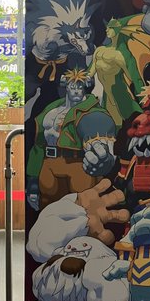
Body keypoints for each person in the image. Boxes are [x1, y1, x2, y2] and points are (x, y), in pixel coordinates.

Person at [26, 67, 116, 212]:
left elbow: (99, 123)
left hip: (77, 165)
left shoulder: (92, 111)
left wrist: (102, 154)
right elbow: (38, 146)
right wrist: (33, 179)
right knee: (48, 210)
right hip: (49, 164)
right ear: (66, 87)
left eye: (80, 87)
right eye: (73, 87)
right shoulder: (51, 110)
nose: (76, 91)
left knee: (81, 211)